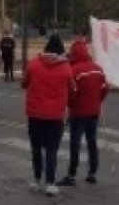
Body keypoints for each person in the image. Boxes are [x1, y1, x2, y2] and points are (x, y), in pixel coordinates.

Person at [22, 35, 75, 196]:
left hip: (35, 113)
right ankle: (50, 182)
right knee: (52, 150)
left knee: (36, 148)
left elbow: (24, 83)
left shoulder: (33, 65)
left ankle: (36, 179)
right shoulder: (66, 68)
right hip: (55, 116)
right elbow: (73, 90)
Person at [58, 39, 108, 186]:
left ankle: (72, 174)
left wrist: (70, 104)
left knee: (75, 143)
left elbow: (71, 93)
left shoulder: (74, 70)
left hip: (78, 112)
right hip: (94, 111)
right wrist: (98, 100)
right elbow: (105, 88)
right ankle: (92, 172)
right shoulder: (97, 68)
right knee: (92, 141)